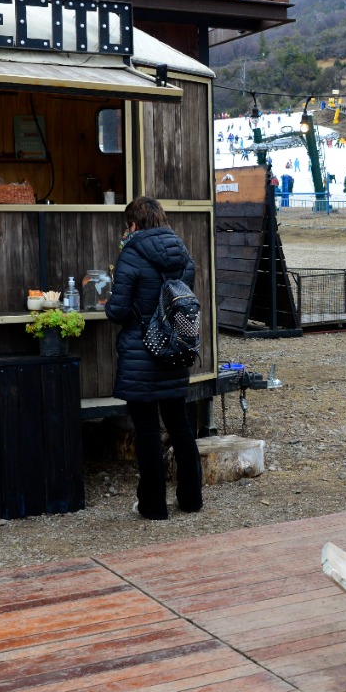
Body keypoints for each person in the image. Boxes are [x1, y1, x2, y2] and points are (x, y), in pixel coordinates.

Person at [104, 196, 203, 521]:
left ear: (133, 224)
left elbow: (118, 312)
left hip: (142, 355)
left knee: (147, 432)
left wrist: (110, 303)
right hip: (175, 352)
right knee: (180, 427)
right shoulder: (181, 251)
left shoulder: (131, 253)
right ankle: (191, 499)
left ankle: (153, 506)